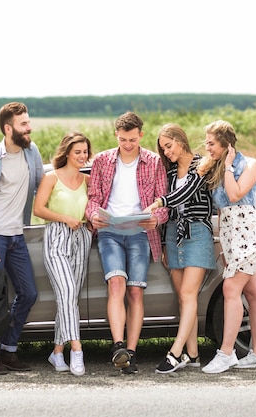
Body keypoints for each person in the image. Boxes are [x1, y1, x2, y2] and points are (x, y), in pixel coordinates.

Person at [85, 111, 168, 374]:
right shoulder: (102, 161)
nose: (128, 144)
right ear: (116, 136)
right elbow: (93, 199)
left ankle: (131, 353)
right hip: (110, 231)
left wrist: (155, 219)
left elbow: (163, 201)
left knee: (135, 291)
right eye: (123, 139)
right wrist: (94, 216)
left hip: (140, 232)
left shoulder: (154, 162)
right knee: (116, 283)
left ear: (140, 135)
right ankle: (118, 346)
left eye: (132, 139)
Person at [0, 102, 44, 375]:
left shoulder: (31, 151)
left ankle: (8, 349)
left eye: (28, 122)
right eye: (24, 124)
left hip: (18, 235)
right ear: (8, 128)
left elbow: (42, 186)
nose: (29, 128)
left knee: (28, 294)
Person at [198, 120, 256, 374]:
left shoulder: (249, 164)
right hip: (231, 235)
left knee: (230, 288)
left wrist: (228, 167)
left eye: (211, 143)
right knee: (253, 294)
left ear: (225, 144)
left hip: (251, 232)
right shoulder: (214, 168)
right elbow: (221, 210)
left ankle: (226, 353)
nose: (207, 147)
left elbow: (235, 195)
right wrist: (223, 248)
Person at [144, 123, 216, 374]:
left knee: (188, 294)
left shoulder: (203, 164)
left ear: (180, 140)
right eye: (162, 149)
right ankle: (193, 355)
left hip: (197, 232)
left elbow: (187, 193)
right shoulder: (171, 171)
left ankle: (175, 353)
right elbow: (170, 211)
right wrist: (164, 242)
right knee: (185, 299)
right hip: (174, 235)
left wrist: (159, 201)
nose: (166, 152)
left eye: (168, 146)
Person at [33, 132, 93, 376]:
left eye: (85, 152)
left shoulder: (87, 180)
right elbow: (39, 209)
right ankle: (77, 350)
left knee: (70, 298)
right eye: (77, 152)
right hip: (57, 236)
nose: (82, 156)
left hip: (82, 237)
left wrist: (90, 220)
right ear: (67, 152)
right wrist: (65, 218)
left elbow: (92, 207)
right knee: (67, 291)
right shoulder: (51, 177)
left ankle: (57, 351)